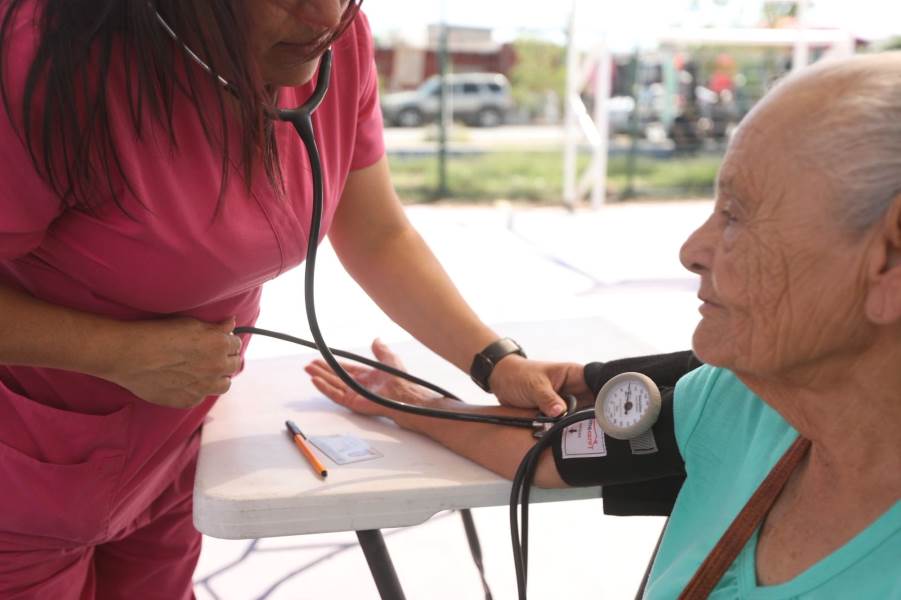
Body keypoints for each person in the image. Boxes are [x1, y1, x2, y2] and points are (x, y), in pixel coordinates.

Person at [0, 1, 588, 597]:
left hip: (173, 453)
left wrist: (494, 361)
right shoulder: (36, 52)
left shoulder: (336, 41)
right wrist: (116, 353)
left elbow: (378, 234)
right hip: (22, 470)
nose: (325, 17)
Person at [308, 52, 901, 598]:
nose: (691, 250)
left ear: (890, 258)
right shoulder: (737, 400)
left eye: (737, 215)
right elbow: (547, 452)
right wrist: (408, 402)